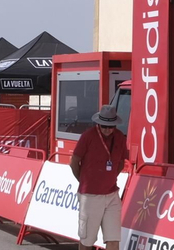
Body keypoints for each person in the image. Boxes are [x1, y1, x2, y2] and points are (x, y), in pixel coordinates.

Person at [68, 106, 127, 250]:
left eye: (110, 126)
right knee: (87, 240)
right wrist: (85, 181)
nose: (107, 129)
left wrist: (110, 178)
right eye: (104, 126)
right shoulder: (88, 136)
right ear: (98, 123)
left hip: (112, 194)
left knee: (113, 240)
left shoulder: (119, 137)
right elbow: (74, 162)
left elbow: (120, 163)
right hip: (90, 195)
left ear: (115, 125)